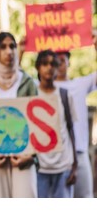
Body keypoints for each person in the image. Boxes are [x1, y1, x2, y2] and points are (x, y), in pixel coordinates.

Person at [0, 32, 38, 198]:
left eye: (12, 46)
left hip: (23, 159)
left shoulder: (28, 83)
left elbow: (39, 123)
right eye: (3, 47)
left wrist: (31, 156)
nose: (9, 51)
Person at [35, 50, 77, 198]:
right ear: (38, 67)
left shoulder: (65, 95)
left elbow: (71, 129)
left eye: (53, 64)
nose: (49, 67)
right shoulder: (31, 95)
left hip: (63, 166)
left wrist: (74, 166)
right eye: (45, 64)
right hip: (39, 168)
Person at [54, 50, 96, 198]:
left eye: (62, 60)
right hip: (55, 155)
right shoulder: (44, 87)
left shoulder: (79, 84)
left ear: (68, 62)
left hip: (79, 150)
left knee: (85, 197)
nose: (59, 65)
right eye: (55, 61)